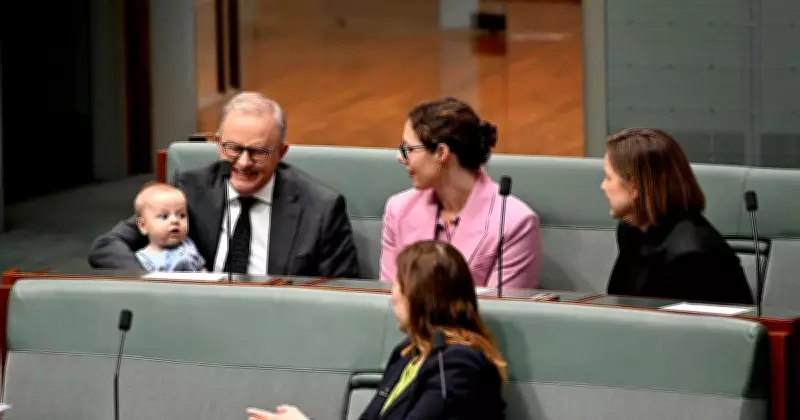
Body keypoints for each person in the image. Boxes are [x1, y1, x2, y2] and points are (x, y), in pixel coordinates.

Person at [89, 92, 360, 278]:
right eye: (233, 148)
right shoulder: (189, 190)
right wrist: (153, 281)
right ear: (218, 144)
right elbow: (107, 245)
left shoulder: (320, 208)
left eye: (258, 152)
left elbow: (342, 289)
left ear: (282, 152)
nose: (242, 163)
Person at [248, 240, 507, 420]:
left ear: (420, 296)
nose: (393, 296)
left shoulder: (459, 365)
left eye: (399, 285)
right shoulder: (407, 353)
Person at [379, 97, 541, 289]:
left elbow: (504, 311)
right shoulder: (398, 209)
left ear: (441, 153)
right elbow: (387, 300)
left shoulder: (515, 223)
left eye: (408, 149)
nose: (400, 157)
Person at [601, 128, 754, 304]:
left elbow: (689, 327)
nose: (603, 186)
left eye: (608, 178)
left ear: (635, 187)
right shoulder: (631, 230)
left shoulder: (691, 255)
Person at [133, 183, 205, 272]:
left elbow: (201, 268)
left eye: (181, 215)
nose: (175, 221)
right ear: (143, 225)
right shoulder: (144, 259)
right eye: (164, 216)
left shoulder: (188, 244)